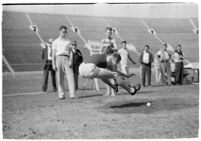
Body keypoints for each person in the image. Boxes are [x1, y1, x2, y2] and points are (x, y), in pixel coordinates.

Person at [52, 25, 76, 100]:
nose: (64, 33)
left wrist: (71, 61)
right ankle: (61, 95)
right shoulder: (55, 41)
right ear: (60, 32)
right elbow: (53, 53)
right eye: (63, 31)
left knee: (70, 77)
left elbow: (71, 52)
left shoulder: (68, 41)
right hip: (58, 59)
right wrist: (53, 63)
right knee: (59, 78)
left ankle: (72, 95)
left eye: (65, 32)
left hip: (67, 58)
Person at [100, 27, 118, 96]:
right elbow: (100, 50)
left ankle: (113, 92)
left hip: (111, 57)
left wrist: (110, 47)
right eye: (107, 32)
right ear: (105, 33)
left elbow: (116, 49)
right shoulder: (103, 40)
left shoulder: (113, 40)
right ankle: (108, 92)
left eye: (110, 33)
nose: (109, 34)